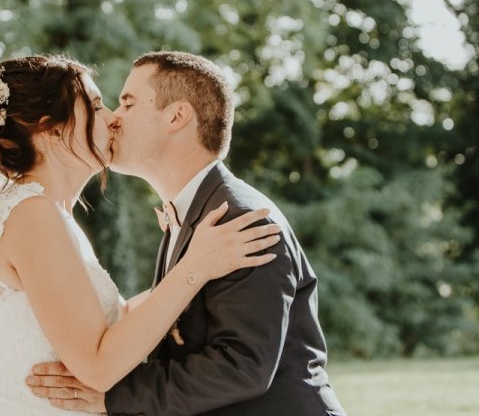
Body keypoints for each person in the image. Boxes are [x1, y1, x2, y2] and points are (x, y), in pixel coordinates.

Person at [0, 54, 281, 416]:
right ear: (51, 130)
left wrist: (192, 255)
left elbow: (112, 320)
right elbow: (98, 366)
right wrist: (195, 266)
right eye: (96, 105)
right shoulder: (34, 215)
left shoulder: (49, 213)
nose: (112, 117)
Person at [27, 51, 347, 416]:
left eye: (128, 104)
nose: (114, 119)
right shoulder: (192, 213)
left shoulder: (240, 220)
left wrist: (115, 396)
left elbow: (243, 366)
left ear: (176, 116)